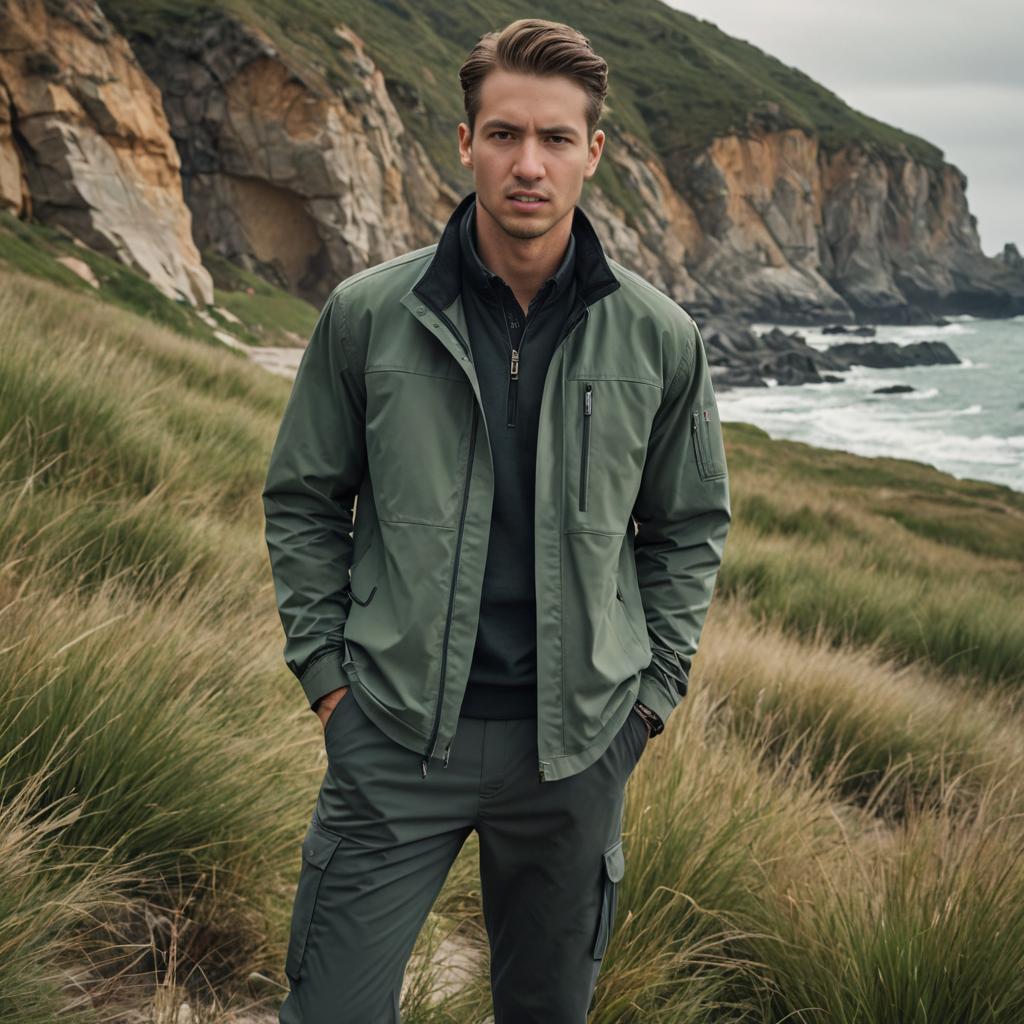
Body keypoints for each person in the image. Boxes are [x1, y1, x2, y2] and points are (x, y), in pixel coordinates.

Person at [262, 17, 731, 1023]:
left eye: (557, 138)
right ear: (464, 142)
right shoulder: (367, 316)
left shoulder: (659, 336)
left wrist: (646, 701)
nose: (530, 163)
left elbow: (688, 526)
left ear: (593, 153)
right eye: (506, 134)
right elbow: (304, 498)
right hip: (389, 733)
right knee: (329, 1009)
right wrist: (328, 682)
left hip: (575, 749)